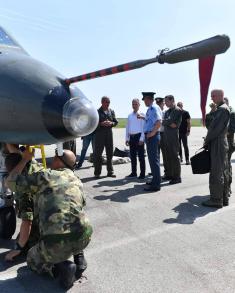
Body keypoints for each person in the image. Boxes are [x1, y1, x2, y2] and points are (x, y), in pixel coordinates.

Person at [5, 148, 92, 289]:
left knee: (32, 260)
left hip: (56, 241)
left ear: (58, 161)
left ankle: (61, 268)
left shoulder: (46, 176)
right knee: (72, 219)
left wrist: (25, 158)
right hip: (84, 236)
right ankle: (79, 258)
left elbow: (11, 182)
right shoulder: (77, 179)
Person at [202, 89, 230, 208]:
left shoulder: (222, 109)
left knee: (216, 172)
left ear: (220, 96)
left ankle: (216, 199)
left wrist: (206, 140)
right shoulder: (222, 108)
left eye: (213, 96)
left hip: (218, 142)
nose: (211, 98)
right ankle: (222, 198)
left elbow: (214, 129)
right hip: (219, 141)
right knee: (221, 170)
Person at [138, 92, 161, 192]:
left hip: (152, 136)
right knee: (152, 160)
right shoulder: (150, 109)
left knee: (154, 160)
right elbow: (150, 120)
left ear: (149, 99)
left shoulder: (154, 108)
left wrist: (152, 133)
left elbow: (159, 122)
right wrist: (143, 117)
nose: (144, 102)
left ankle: (156, 185)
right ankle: (155, 180)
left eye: (145, 100)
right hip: (151, 136)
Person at [93, 96, 118, 178]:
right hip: (99, 135)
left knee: (110, 153)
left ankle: (110, 172)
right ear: (102, 102)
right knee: (98, 154)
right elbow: (93, 124)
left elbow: (115, 122)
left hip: (109, 135)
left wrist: (111, 123)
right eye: (106, 102)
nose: (108, 104)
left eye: (109, 102)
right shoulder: (97, 112)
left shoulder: (111, 111)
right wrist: (101, 124)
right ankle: (97, 173)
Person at [162, 95, 182, 184]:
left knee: (174, 156)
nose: (165, 103)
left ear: (172, 100)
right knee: (167, 156)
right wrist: (167, 122)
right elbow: (167, 122)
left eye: (166, 101)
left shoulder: (177, 110)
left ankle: (177, 177)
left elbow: (171, 122)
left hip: (173, 137)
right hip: (166, 136)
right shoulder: (167, 111)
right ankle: (169, 174)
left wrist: (166, 121)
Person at [125, 99, 145, 179]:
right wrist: (127, 138)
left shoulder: (142, 114)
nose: (134, 105)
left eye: (136, 104)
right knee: (132, 156)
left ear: (139, 105)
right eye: (133, 104)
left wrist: (142, 139)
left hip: (139, 136)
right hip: (131, 137)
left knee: (141, 156)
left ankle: (142, 174)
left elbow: (144, 127)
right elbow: (127, 127)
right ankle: (134, 172)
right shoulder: (130, 115)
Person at [224, 97, 235, 196]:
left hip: (228, 144)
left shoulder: (231, 113)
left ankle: (227, 188)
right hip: (225, 144)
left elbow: (231, 130)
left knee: (226, 167)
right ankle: (226, 187)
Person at [155, 97, 168, 177]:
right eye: (158, 104)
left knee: (165, 154)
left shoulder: (165, 112)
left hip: (163, 134)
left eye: (160, 103)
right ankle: (156, 171)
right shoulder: (156, 111)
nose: (159, 105)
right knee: (156, 154)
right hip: (156, 133)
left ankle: (166, 171)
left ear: (163, 103)